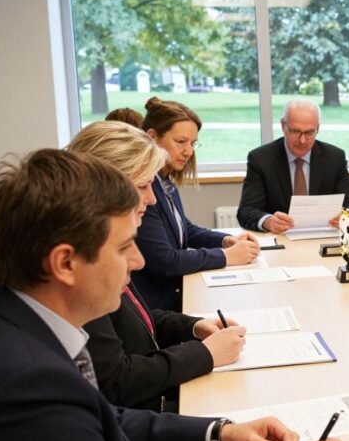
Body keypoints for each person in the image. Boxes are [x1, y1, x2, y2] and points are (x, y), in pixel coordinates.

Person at [0, 149, 342, 441]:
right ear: (64, 263)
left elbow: (104, 419)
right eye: (122, 247)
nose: (137, 261)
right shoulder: (23, 387)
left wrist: (222, 433)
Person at [67, 121, 246, 412]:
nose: (151, 198)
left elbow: (137, 318)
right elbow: (117, 382)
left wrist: (193, 327)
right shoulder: (88, 263)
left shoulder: (107, 243)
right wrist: (203, 354)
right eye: (142, 185)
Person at [134, 96, 261, 311]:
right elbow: (166, 260)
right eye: (180, 142)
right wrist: (225, 257)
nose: (188, 151)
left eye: (192, 144)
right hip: (158, 306)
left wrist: (225, 241)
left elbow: (186, 230)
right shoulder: (144, 189)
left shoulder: (164, 179)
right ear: (152, 137)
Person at [237, 99, 349, 232]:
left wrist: (348, 217)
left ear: (318, 129)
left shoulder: (334, 157)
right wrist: (268, 221)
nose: (302, 140)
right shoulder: (261, 159)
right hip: (279, 241)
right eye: (295, 131)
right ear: (283, 125)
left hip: (322, 238)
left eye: (309, 133)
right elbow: (246, 211)